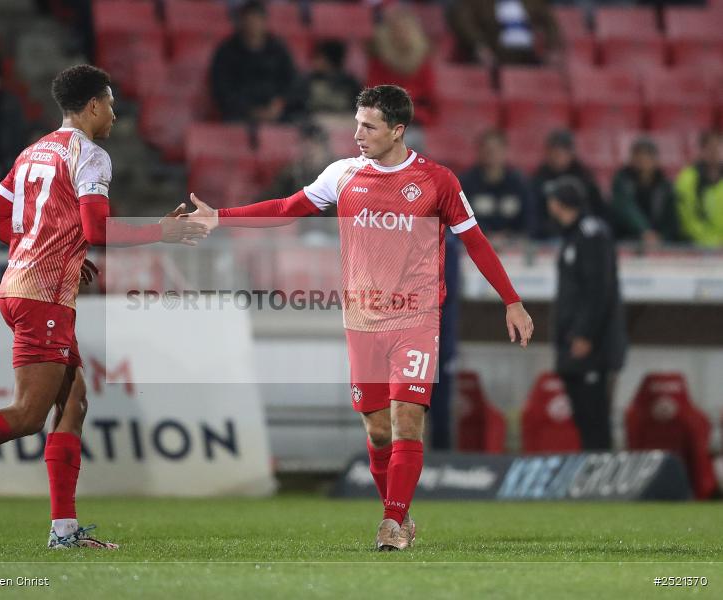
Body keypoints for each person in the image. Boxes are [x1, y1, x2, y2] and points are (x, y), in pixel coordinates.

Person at [186, 85, 533, 551]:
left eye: (368, 126)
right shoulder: (342, 174)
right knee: (377, 430)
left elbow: (476, 242)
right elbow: (288, 208)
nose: (357, 134)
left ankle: (390, 525)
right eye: (356, 123)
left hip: (416, 319)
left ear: (397, 130)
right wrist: (220, 217)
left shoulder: (437, 181)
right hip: (362, 322)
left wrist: (511, 300)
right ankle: (401, 515)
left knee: (407, 419)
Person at [0, 65, 208, 549]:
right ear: (94, 105)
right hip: (42, 298)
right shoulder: (91, 156)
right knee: (28, 414)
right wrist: (161, 231)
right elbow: (98, 231)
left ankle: (65, 530)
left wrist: (53, 247)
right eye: (112, 104)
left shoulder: (33, 150)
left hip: (23, 286)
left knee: (74, 400)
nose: (116, 116)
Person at [547, 177, 626, 451]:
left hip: (593, 347)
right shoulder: (574, 236)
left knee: (595, 416)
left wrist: (584, 334)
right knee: (583, 416)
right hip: (575, 344)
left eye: (553, 199)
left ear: (561, 203)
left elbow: (598, 290)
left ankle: (601, 472)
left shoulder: (592, 235)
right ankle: (592, 472)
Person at [210, 0, 300, 123]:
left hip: (275, 112)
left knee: (297, 125)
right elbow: (221, 88)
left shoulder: (278, 49)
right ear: (241, 22)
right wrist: (249, 110)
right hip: (239, 113)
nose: (253, 25)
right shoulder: (226, 51)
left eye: (257, 20)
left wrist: (279, 103)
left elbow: (292, 81)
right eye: (249, 20)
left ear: (265, 22)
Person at [367, 4, 436, 125]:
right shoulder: (379, 59)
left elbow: (430, 99)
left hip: (416, 119)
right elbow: (373, 94)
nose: (402, 34)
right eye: (397, 29)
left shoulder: (423, 61)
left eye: (406, 29)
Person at [459, 129, 535, 238]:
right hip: (475, 244)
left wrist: (510, 236)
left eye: (496, 150)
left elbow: (530, 220)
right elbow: (458, 220)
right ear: (479, 152)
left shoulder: (519, 183)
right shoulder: (465, 184)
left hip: (515, 247)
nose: (491, 154)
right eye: (487, 150)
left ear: (505, 151)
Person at [531, 129, 605, 239]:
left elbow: (596, 208)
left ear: (571, 153)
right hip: (548, 236)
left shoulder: (584, 176)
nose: (557, 157)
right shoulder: (540, 177)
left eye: (561, 152)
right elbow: (533, 211)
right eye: (554, 152)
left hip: (581, 234)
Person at [447, 0, 562, 67]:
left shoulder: (533, 2)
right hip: (496, 55)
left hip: (530, 57)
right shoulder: (477, 3)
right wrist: (479, 45)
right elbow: (462, 20)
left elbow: (550, 22)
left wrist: (553, 48)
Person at [610, 136, 679, 246]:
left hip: (660, 243)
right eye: (638, 157)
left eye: (647, 157)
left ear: (655, 160)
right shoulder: (622, 180)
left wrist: (663, 237)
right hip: (626, 240)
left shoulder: (665, 186)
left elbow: (672, 220)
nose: (642, 162)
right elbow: (626, 208)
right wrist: (645, 231)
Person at [675, 130, 723, 247]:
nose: (715, 152)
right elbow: (688, 219)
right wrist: (713, 242)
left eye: (719, 147)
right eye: (711, 147)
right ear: (702, 150)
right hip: (697, 247)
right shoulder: (687, 179)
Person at [302, 40, 362, 117]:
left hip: (344, 123)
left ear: (329, 60)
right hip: (315, 122)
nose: (314, 61)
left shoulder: (350, 83)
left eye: (318, 58)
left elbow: (359, 109)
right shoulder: (308, 80)